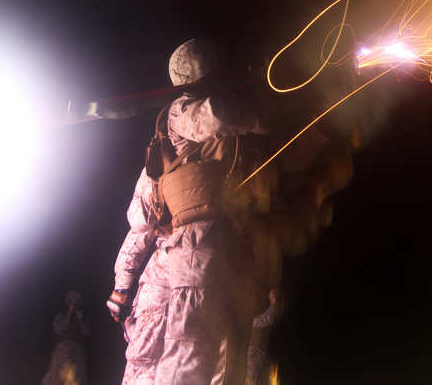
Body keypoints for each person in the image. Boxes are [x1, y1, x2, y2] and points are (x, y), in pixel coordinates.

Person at [108, 38, 267, 385]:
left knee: (173, 368)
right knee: (180, 368)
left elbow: (139, 221)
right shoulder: (183, 113)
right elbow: (218, 116)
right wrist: (272, 111)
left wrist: (122, 285)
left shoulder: (177, 148)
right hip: (192, 261)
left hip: (182, 264)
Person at [42, 290, 90, 385]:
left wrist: (81, 321)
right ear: (67, 301)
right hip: (62, 349)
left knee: (76, 379)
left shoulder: (82, 317)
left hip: (77, 351)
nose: (74, 303)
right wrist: (69, 314)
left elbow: (87, 333)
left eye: (76, 301)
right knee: (55, 378)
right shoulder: (60, 316)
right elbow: (58, 329)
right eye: (71, 300)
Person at [246, 289, 279, 385]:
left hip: (257, 353)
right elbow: (267, 319)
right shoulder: (250, 321)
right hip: (253, 353)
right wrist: (273, 303)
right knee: (250, 381)